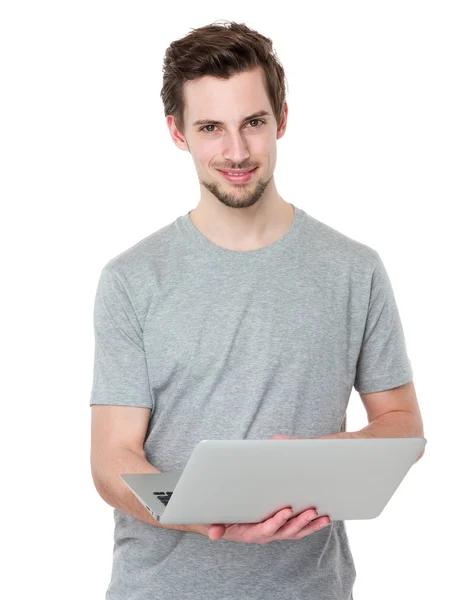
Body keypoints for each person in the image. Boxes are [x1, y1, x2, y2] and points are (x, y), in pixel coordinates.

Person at [89, 19, 424, 600]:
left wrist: (315, 462)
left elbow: (404, 426)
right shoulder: (131, 280)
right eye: (211, 128)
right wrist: (206, 515)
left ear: (282, 120)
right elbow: (112, 459)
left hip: (309, 587)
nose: (236, 152)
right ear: (178, 132)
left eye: (253, 123)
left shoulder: (355, 269)